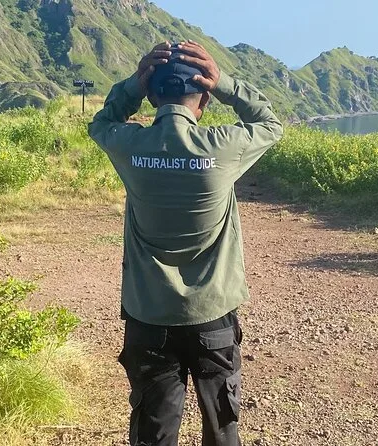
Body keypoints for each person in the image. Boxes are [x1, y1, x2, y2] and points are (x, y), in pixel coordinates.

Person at [88, 40, 284, 446]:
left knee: (154, 432)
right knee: (222, 429)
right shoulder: (222, 147)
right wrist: (225, 82)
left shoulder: (131, 146)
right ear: (205, 99)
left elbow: (101, 122)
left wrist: (133, 86)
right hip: (212, 315)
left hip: (149, 316)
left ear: (152, 96)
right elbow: (270, 124)